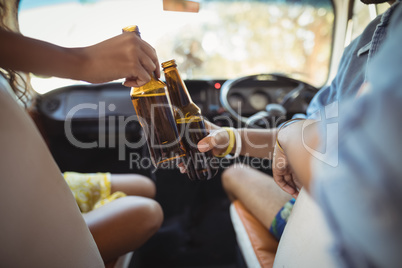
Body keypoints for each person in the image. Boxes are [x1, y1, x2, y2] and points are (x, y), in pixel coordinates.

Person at [182, 0, 400, 264]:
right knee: (235, 172)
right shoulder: (361, 43)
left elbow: (317, 144)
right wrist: (230, 138)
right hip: (310, 211)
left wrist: (290, 134)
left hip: (347, 234)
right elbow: (312, 132)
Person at [0, 0, 163, 266]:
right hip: (25, 220)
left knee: (144, 185)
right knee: (149, 212)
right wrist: (81, 61)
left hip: (47, 189)